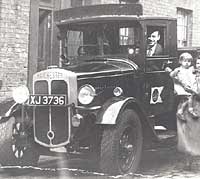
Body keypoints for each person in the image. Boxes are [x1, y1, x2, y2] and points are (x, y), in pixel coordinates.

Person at [167, 52, 197, 119]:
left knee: (188, 98)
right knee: (190, 96)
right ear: (180, 61)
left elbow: (195, 73)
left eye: (189, 61)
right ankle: (190, 109)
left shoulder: (191, 69)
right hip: (182, 87)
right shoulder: (178, 69)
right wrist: (173, 72)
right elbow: (172, 75)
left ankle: (181, 111)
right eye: (185, 61)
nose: (187, 63)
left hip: (189, 86)